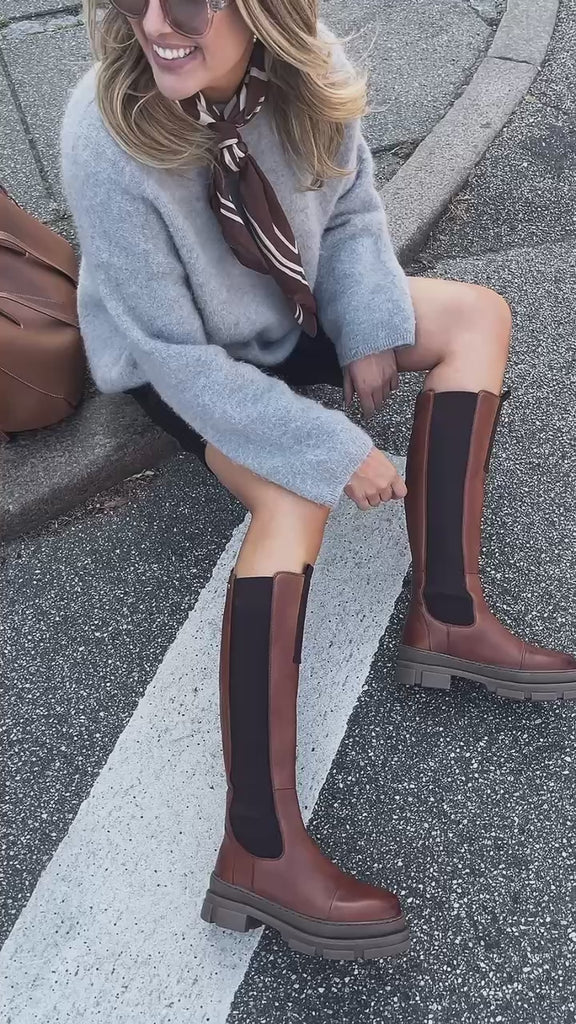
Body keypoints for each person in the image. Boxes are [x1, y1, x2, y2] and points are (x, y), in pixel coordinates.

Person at [59, 0, 576, 961]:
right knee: (292, 496)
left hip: (285, 307)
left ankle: (450, 616)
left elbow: (350, 211)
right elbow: (174, 357)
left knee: (478, 316)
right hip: (185, 360)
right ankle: (258, 852)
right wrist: (331, 448)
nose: (156, 23)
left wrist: (367, 320)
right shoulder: (105, 130)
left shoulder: (309, 67)